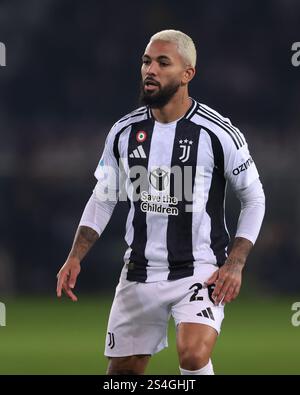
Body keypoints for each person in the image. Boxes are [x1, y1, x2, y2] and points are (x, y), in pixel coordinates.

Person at [56, 29, 265, 375]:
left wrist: (236, 263)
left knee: (193, 355)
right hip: (138, 271)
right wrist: (74, 257)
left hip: (199, 269)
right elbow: (104, 197)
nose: (150, 70)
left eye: (162, 63)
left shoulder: (218, 133)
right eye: (146, 61)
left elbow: (254, 197)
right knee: (123, 373)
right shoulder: (123, 132)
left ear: (187, 74)